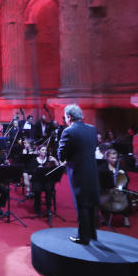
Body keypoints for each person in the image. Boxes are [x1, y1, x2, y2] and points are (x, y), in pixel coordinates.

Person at [57, 104, 100, 245]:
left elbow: (61, 154)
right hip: (92, 170)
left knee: (81, 204)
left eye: (65, 117)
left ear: (69, 117)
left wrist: (65, 157)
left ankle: (83, 237)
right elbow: (92, 147)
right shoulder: (92, 129)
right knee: (92, 202)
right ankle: (93, 234)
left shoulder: (68, 131)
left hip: (77, 171)